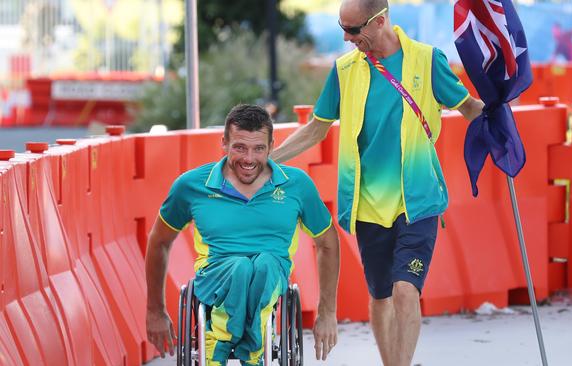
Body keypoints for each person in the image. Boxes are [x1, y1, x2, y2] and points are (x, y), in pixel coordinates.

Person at [270, 1, 484, 365]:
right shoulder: (344, 70)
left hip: (418, 201)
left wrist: (501, 123)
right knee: (381, 296)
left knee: (405, 290)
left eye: (353, 30)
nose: (346, 37)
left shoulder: (427, 60)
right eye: (342, 27)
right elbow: (316, 129)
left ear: (380, 20)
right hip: (368, 204)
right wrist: (265, 161)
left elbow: (467, 108)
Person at [145, 104, 340, 365]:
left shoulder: (297, 185)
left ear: (271, 146)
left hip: (271, 274)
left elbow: (327, 243)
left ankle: (251, 345)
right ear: (224, 143)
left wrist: (327, 313)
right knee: (240, 267)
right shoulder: (191, 185)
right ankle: (222, 338)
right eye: (239, 147)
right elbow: (159, 242)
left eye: (258, 148)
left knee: (265, 264)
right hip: (216, 276)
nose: (249, 158)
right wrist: (155, 311)